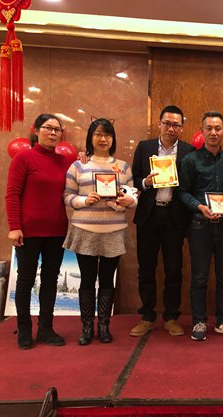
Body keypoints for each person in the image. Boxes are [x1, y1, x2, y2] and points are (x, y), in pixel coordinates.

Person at [63, 118, 137, 345]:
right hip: (85, 229)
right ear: (91, 137)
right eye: (98, 134)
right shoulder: (78, 166)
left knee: (107, 280)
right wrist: (85, 200)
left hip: (113, 230)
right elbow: (67, 196)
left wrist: (123, 202)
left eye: (108, 134)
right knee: (86, 280)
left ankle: (104, 325)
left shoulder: (123, 167)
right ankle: (86, 327)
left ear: (113, 139)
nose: (103, 139)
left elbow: (133, 197)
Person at [130, 105, 195, 337]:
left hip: (174, 216)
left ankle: (171, 317)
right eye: (167, 123)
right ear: (159, 124)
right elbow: (133, 179)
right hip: (149, 215)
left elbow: (192, 183)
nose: (171, 128)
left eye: (176, 125)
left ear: (182, 128)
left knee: (173, 269)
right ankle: (147, 316)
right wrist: (146, 182)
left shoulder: (189, 151)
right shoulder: (145, 147)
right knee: (146, 268)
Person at [178, 111, 223, 341]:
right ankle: (199, 321)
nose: (213, 132)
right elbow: (182, 192)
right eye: (209, 128)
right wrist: (199, 207)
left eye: (218, 128)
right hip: (200, 225)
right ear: (202, 131)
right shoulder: (190, 160)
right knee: (199, 276)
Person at [5, 113, 69, 349]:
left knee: (51, 281)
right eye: (48, 128)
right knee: (25, 280)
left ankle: (45, 328)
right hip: (28, 231)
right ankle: (24, 329)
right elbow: (12, 194)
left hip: (56, 231)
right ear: (36, 130)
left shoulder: (64, 162)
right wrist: (14, 227)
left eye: (57, 129)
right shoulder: (23, 158)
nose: (52, 133)